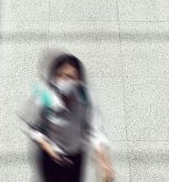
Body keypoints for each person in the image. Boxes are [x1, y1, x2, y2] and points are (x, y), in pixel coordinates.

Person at [21, 53, 115, 182]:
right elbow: (32, 127)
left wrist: (104, 162)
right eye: (60, 75)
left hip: (75, 156)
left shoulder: (85, 97)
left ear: (79, 80)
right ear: (53, 76)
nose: (64, 80)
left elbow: (96, 130)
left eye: (70, 77)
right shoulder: (43, 96)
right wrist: (47, 147)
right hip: (50, 156)